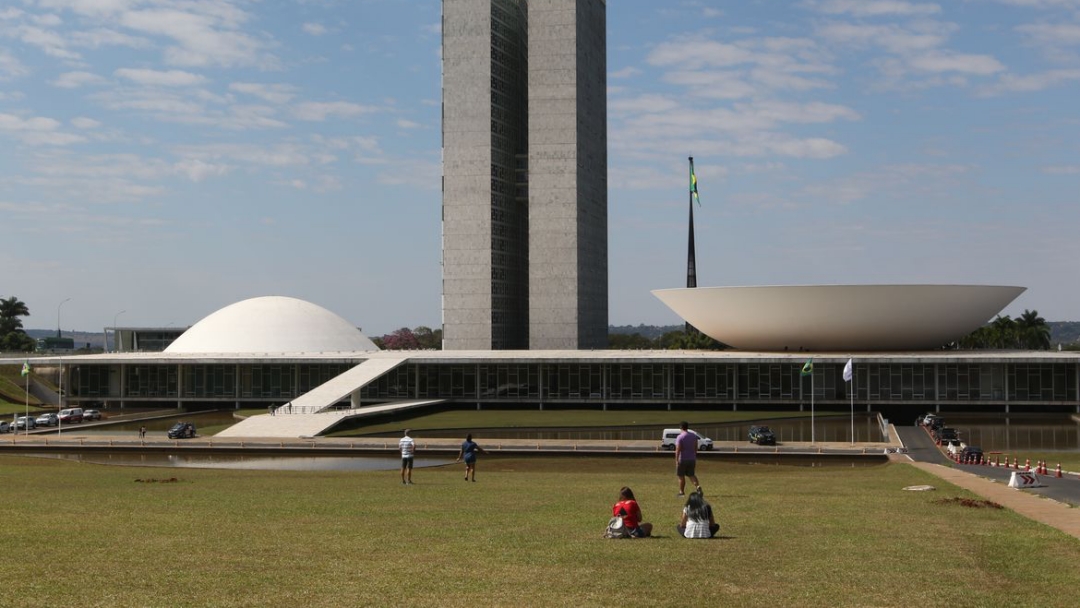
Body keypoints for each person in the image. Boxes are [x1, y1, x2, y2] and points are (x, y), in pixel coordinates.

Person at [675, 421, 701, 497]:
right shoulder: (693, 436)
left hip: (682, 459)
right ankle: (698, 487)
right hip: (692, 459)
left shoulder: (680, 437)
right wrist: (694, 455)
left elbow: (678, 449)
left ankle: (681, 492)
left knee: (681, 476)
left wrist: (676, 460)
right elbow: (696, 447)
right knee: (691, 475)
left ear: (680, 427)